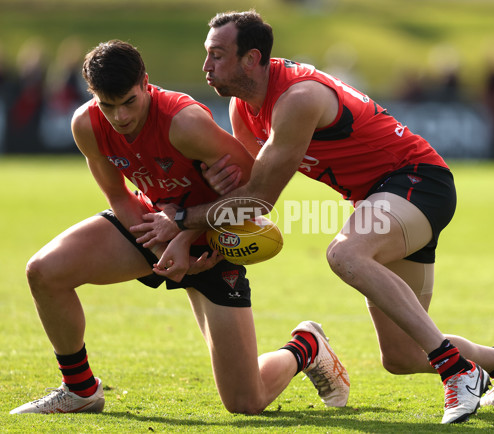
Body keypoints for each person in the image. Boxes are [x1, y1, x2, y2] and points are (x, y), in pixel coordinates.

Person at [131, 11, 494, 424]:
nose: (206, 66)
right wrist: (191, 228)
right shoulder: (244, 109)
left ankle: (457, 371)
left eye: (218, 55)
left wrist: (182, 218)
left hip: (417, 182)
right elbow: (243, 195)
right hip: (382, 199)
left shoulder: (297, 99)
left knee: (345, 254)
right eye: (207, 54)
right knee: (403, 356)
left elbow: (257, 202)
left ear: (252, 59)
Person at [10, 40, 350, 415]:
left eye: (129, 102)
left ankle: (306, 347)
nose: (120, 117)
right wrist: (161, 247)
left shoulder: (183, 122)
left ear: (146, 83)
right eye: (108, 106)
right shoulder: (87, 124)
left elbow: (256, 186)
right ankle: (80, 390)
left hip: (214, 235)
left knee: (245, 402)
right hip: (150, 223)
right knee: (43, 272)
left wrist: (187, 236)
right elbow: (119, 196)